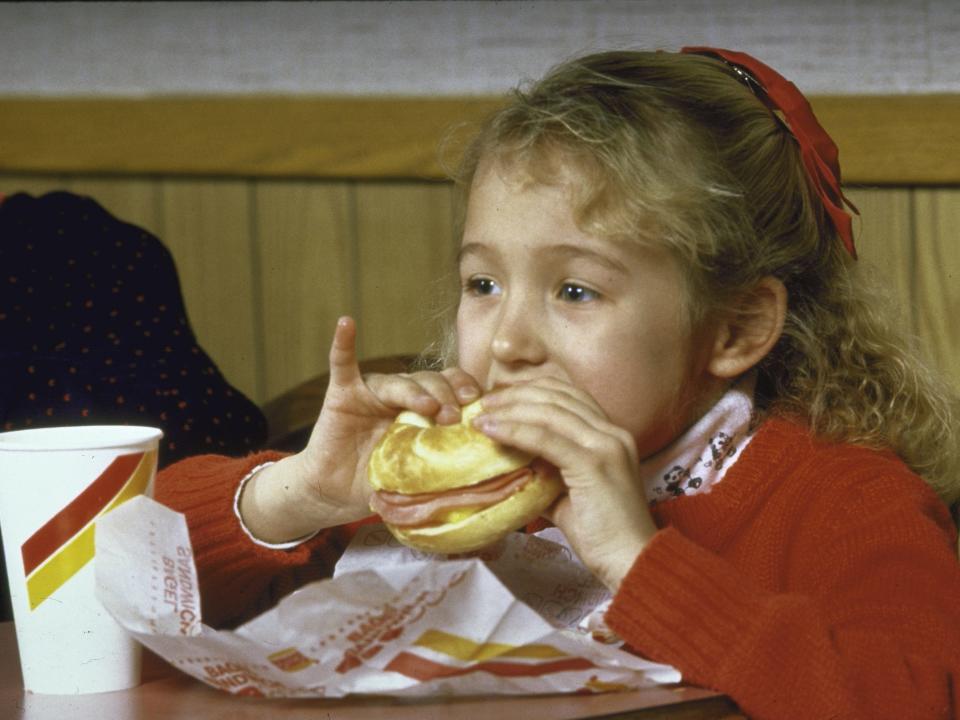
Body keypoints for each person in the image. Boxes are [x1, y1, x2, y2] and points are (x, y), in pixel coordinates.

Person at [157, 47, 960, 719]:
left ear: (735, 329)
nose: (506, 341)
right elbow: (108, 579)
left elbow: (917, 697)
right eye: (483, 284)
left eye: (576, 291)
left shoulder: (843, 502)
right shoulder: (436, 495)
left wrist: (639, 562)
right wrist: (298, 495)